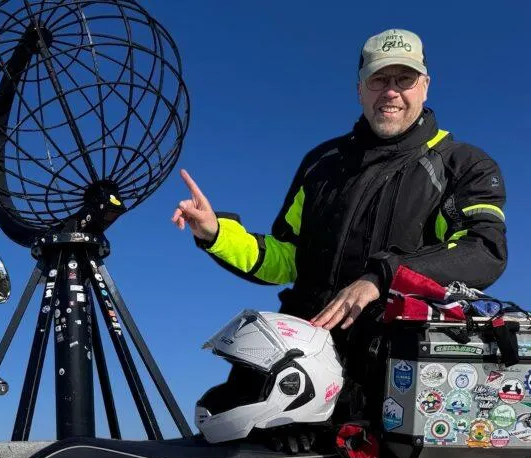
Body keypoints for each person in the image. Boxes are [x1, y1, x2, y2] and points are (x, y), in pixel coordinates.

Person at [172, 28, 508, 425]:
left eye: (405, 79)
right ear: (360, 89)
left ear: (425, 86)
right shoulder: (321, 163)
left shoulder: (462, 164)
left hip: (392, 372)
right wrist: (216, 233)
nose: (391, 92)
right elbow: (287, 259)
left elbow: (482, 250)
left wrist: (381, 276)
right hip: (298, 368)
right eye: (379, 79)